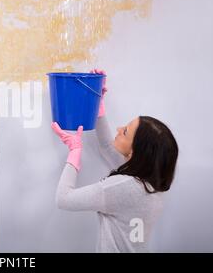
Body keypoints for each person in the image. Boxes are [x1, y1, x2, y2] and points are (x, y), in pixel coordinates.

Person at [52, 69, 178, 253]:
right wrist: (97, 105)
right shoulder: (150, 183)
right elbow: (107, 147)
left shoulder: (120, 188)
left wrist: (74, 152)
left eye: (125, 131)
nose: (119, 129)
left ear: (136, 151)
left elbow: (63, 199)